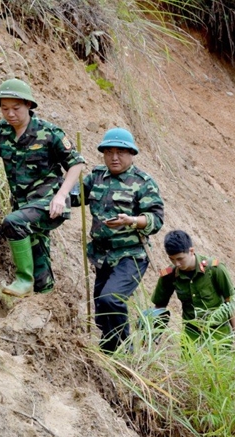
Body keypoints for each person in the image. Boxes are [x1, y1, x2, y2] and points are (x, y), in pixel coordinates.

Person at [0, 79, 85, 296]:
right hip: (24, 205)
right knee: (39, 255)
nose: (10, 114)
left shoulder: (49, 132)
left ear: (28, 105)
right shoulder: (3, 132)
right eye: (5, 109)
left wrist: (61, 196)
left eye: (16, 108)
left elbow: (77, 163)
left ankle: (24, 280)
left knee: (13, 222)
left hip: (49, 202)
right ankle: (45, 301)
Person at [80, 128, 164, 353]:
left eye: (120, 153)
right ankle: (109, 354)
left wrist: (132, 220)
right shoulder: (96, 177)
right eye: (109, 152)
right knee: (102, 313)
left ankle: (125, 349)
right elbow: (74, 198)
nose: (114, 158)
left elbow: (156, 219)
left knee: (111, 300)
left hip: (131, 255)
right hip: (102, 255)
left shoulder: (143, 183)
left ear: (131, 154)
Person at [151, 230, 235, 350]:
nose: (176, 263)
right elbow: (159, 306)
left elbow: (232, 303)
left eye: (180, 258)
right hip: (190, 337)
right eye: (172, 259)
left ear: (191, 251)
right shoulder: (168, 275)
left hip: (219, 336)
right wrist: (153, 335)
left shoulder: (215, 269)